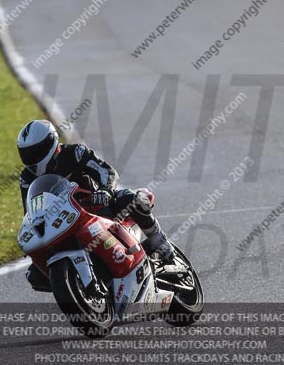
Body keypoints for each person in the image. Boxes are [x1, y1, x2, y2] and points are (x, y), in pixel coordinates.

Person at [17, 119, 175, 292]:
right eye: (27, 154)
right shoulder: (26, 178)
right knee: (35, 274)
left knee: (131, 198)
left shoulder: (75, 153)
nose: (31, 159)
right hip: (62, 222)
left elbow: (107, 172)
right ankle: (79, 285)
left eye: (35, 152)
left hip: (96, 207)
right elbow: (30, 209)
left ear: (50, 144)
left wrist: (105, 191)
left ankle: (159, 241)